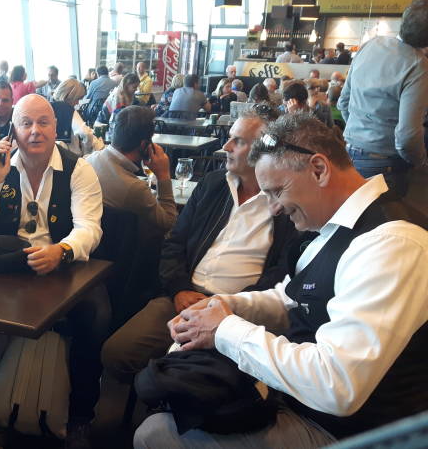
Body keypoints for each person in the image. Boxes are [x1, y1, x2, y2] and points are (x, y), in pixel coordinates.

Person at [135, 113, 428, 448]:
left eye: (276, 191)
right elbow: (290, 297)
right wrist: (226, 305)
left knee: (155, 434)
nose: (273, 208)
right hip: (298, 399)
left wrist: (225, 330)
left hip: (347, 431)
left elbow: (338, 386)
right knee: (180, 396)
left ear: (319, 169)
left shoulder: (392, 245)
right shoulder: (332, 230)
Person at [102, 107, 296, 384]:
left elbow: (283, 273)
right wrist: (179, 288)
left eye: (238, 141)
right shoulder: (213, 184)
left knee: (184, 379)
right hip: (184, 299)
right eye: (229, 138)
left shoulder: (285, 203)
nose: (226, 147)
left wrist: (231, 305)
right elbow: (174, 242)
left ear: (266, 150)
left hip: (237, 315)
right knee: (116, 353)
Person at [0, 94, 110, 448]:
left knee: (96, 315)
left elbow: (90, 228)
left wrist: (62, 250)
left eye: (43, 122)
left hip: (62, 266)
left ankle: (80, 416)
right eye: (26, 123)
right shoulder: (0, 165)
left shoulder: (79, 169)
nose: (35, 131)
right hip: (8, 266)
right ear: (12, 129)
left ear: (56, 127)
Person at [337, 0, 428, 197]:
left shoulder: (370, 45)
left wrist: (360, 137)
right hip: (385, 166)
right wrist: (421, 162)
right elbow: (407, 137)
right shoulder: (418, 65)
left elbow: (343, 102)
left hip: (349, 155)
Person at [86, 105, 176, 243]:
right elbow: (169, 223)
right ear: (144, 145)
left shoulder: (89, 160)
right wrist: (163, 175)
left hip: (94, 244)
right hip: (126, 250)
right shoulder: (135, 189)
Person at [53, 78, 103, 156]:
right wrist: (87, 151)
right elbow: (85, 133)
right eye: (77, 99)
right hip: (73, 156)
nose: (77, 103)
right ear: (70, 96)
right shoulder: (68, 109)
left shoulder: (49, 107)